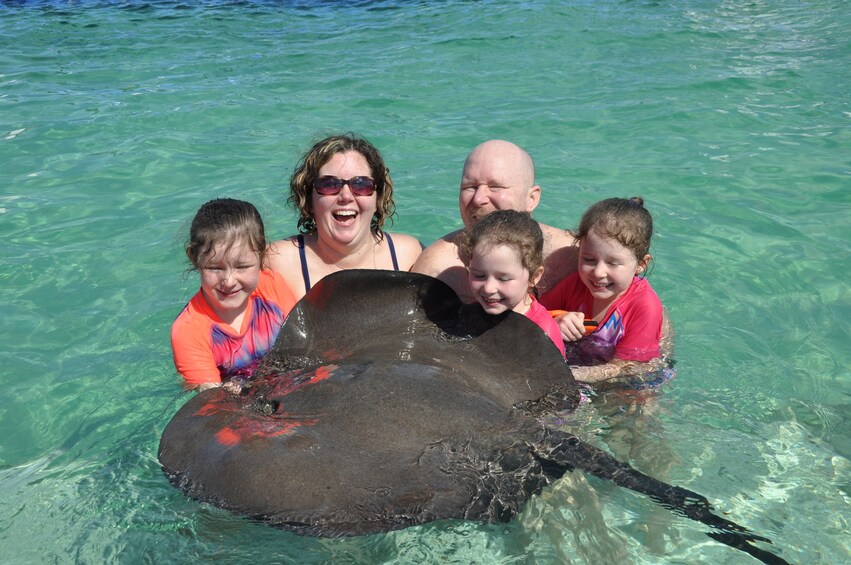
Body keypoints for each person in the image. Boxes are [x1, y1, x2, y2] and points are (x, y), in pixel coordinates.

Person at [412, 139, 578, 303]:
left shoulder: (573, 255)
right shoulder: (440, 269)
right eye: (470, 187)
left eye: (495, 187)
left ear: (531, 198)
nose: (478, 199)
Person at [268, 133, 423, 300]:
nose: (346, 196)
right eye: (329, 185)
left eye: (361, 185)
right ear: (309, 199)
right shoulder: (277, 262)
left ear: (378, 198)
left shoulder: (409, 257)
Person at [171, 198, 297, 391]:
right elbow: (213, 400)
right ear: (194, 258)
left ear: (262, 256)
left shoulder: (272, 286)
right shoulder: (188, 331)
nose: (229, 281)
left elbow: (303, 344)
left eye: (242, 266)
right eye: (215, 268)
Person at [540, 197, 665, 383]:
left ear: (641, 264)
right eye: (588, 259)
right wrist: (555, 322)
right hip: (581, 370)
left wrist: (573, 375)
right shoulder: (575, 284)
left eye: (613, 263)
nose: (598, 273)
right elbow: (534, 314)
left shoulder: (644, 306)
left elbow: (631, 367)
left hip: (630, 382)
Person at [457, 210, 566, 356]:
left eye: (503, 279)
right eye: (479, 275)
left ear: (534, 276)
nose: (489, 288)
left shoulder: (542, 333)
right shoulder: (472, 313)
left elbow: (554, 377)